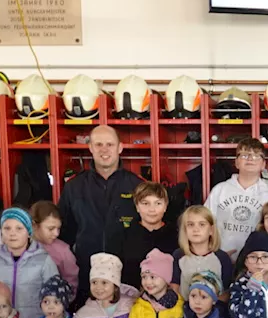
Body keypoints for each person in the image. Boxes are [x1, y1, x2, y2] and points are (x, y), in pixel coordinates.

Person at [57, 125, 141, 290]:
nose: (104, 150)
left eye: (109, 144)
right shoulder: (74, 187)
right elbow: (63, 234)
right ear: (90, 148)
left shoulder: (138, 185)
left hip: (127, 276)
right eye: (98, 144)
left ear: (120, 148)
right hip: (85, 276)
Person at [0, 207, 59, 318]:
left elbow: (55, 298)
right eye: (7, 228)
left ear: (29, 232)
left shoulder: (44, 260)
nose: (12, 233)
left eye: (19, 228)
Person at [206, 137, 268, 260]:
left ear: (263, 164)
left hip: (257, 264)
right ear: (236, 162)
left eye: (256, 155)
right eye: (244, 155)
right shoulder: (219, 190)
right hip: (220, 260)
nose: (250, 158)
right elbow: (206, 224)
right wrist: (214, 255)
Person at [121, 181, 178, 288]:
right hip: (131, 297)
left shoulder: (176, 235)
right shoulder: (124, 235)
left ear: (165, 206)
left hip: (168, 298)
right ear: (137, 206)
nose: (152, 209)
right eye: (145, 203)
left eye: (158, 203)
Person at [172, 206, 232, 298]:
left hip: (215, 310)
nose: (196, 229)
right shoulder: (179, 255)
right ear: (184, 230)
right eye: (191, 225)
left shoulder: (222, 257)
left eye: (202, 224)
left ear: (211, 230)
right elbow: (174, 286)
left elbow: (227, 291)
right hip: (184, 309)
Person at [30, 201, 79, 295]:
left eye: (58, 228)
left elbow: (72, 282)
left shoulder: (63, 250)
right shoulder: (21, 246)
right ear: (34, 225)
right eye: (51, 228)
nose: (56, 234)